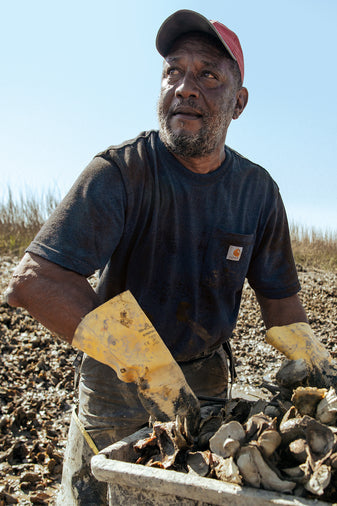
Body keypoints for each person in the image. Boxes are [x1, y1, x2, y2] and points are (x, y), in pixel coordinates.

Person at [5, 9, 336, 505]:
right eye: (173, 71)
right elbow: (35, 280)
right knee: (98, 493)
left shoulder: (257, 192)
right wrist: (147, 365)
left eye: (208, 74)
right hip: (117, 384)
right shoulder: (120, 172)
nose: (185, 86)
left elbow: (282, 304)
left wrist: (321, 376)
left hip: (206, 382)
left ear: (238, 102)